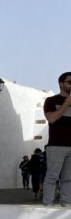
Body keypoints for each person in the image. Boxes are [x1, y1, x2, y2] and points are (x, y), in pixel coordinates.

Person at [42, 72, 71, 206]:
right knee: (52, 177)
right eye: (69, 82)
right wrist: (66, 104)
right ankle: (48, 205)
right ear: (61, 84)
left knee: (68, 178)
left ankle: (67, 205)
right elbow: (52, 119)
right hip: (56, 145)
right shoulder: (51, 100)